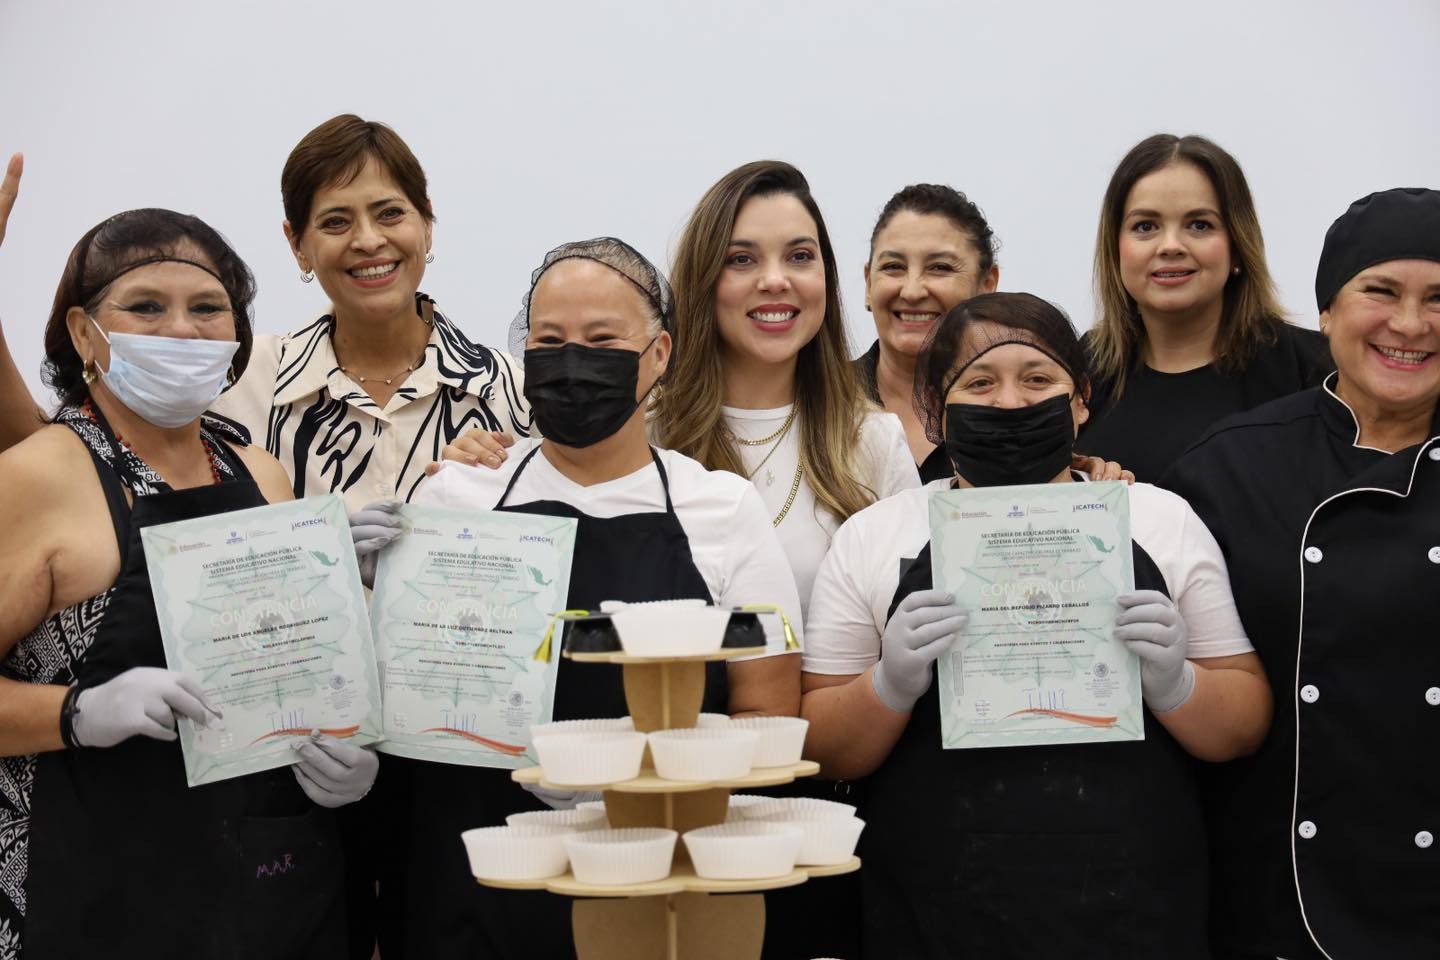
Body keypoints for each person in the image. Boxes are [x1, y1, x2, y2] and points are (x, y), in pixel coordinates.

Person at [352, 237, 805, 960]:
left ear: (658, 354)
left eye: (601, 341)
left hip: (653, 878)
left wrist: (623, 791)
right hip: (468, 882)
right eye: (549, 341)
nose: (572, 362)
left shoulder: (721, 508)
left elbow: (769, 714)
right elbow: (397, 695)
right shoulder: (457, 495)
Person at [800, 292, 1271, 958]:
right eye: (979, 383)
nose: (1011, 403)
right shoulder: (874, 537)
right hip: (934, 905)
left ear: (1080, 400)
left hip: (1132, 902)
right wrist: (888, 686)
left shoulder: (1160, 520)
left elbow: (1243, 726)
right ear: (934, 405)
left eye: (1037, 379)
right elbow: (824, 747)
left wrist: (1177, 684)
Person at [0, 208, 376, 959]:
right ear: (83, 333)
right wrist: (76, 712)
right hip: (94, 898)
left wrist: (349, 753)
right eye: (145, 307)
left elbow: (296, 673)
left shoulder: (258, 473)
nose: (181, 330)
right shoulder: (37, 478)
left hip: (272, 894)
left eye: (207, 308)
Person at [1164, 187, 1440, 960]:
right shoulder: (1228, 469)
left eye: (1438, 299)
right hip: (1273, 896)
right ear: (1326, 311)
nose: (1410, 324)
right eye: (1380, 291)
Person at [0, 116, 530, 507]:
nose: (369, 240)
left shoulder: (514, 392)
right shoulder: (230, 379)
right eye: (336, 222)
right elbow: (71, 459)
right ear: (297, 244)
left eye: (390, 213)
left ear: (427, 224)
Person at [1079, 133, 1332, 481]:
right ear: (1115, 248)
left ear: (1237, 246)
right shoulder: (1079, 372)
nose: (1170, 245)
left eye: (1199, 225)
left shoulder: (1314, 369)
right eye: (1145, 226)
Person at [854, 183, 1000, 480]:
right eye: (893, 266)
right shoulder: (817, 401)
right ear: (869, 284)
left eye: (940, 268)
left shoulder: (1018, 408)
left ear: (987, 286)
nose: (912, 291)